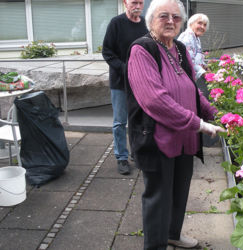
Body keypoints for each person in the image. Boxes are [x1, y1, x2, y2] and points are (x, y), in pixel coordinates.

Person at [126, 0, 225, 249]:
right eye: (164, 16)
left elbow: (192, 90)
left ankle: (172, 234)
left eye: (176, 17)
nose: (171, 21)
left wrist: (215, 113)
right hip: (157, 136)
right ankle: (155, 245)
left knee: (180, 189)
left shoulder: (180, 48)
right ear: (151, 20)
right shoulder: (142, 50)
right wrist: (199, 124)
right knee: (158, 195)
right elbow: (154, 100)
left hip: (185, 136)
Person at [102, 0, 148, 175]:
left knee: (138, 120)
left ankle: (136, 153)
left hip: (140, 82)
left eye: (140, 2)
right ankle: (121, 157)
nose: (137, 5)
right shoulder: (116, 23)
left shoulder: (145, 24)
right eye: (133, 2)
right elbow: (107, 51)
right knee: (120, 121)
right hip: (120, 82)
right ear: (125, 3)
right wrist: (125, 68)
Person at [178, 13, 218, 147]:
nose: (202, 27)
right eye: (199, 23)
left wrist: (205, 67)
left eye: (205, 25)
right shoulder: (187, 37)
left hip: (191, 78)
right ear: (191, 23)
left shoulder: (195, 37)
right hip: (184, 78)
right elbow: (189, 61)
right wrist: (203, 73)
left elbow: (197, 58)